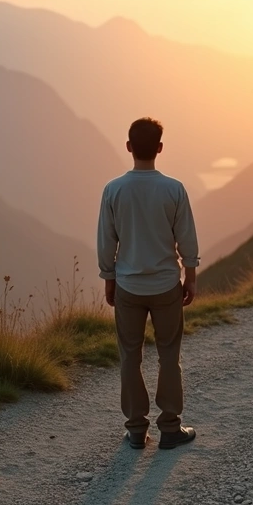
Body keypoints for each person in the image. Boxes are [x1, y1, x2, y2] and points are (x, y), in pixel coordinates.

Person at [97, 117, 200, 451]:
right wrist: (191, 276)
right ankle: (170, 427)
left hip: (128, 286)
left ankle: (136, 429)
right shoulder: (173, 189)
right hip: (166, 285)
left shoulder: (113, 190)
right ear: (159, 148)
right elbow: (187, 239)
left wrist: (109, 278)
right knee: (169, 356)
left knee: (130, 356)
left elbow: (106, 241)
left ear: (128, 147)